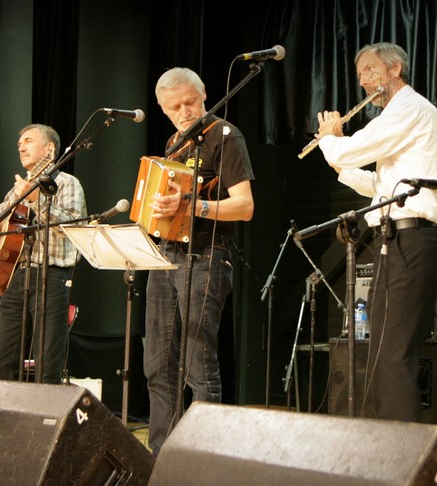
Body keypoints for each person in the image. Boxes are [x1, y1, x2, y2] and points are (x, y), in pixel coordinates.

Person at [315, 42, 437, 422]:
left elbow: (349, 150)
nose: (364, 81)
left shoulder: (409, 108)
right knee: (381, 355)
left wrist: (330, 138)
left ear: (395, 68)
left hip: (410, 240)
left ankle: (401, 451)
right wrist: (338, 160)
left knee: (393, 358)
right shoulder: (399, 117)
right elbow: (380, 186)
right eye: (360, 76)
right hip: (394, 242)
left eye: (371, 70)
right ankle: (385, 443)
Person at [144, 67, 255, 455]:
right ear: (162, 109)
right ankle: (162, 455)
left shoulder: (224, 135)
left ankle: (203, 457)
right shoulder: (174, 142)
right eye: (173, 108)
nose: (184, 112)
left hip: (206, 256)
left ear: (204, 93)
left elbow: (245, 207)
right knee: (157, 365)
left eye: (189, 102)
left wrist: (193, 206)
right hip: (166, 254)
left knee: (197, 364)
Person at [0, 123, 86, 384]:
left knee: (47, 363)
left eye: (28, 141)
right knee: (1, 360)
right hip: (18, 277)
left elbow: (72, 228)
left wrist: (37, 199)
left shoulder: (66, 183)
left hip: (52, 277)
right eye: (19, 144)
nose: (21, 147)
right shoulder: (19, 188)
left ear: (49, 148)